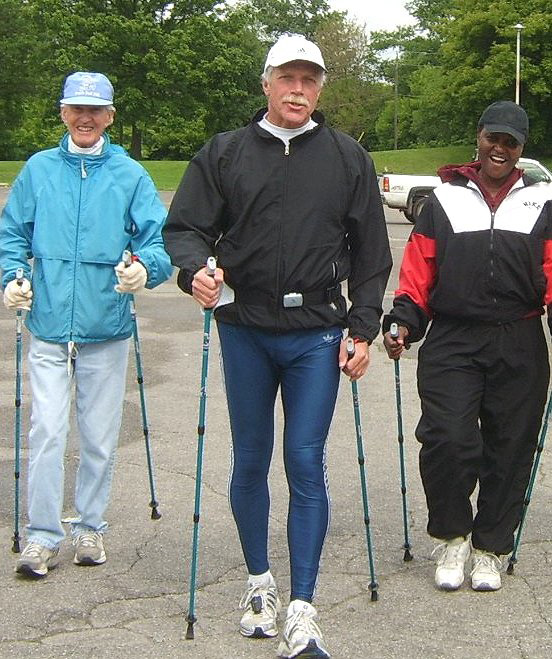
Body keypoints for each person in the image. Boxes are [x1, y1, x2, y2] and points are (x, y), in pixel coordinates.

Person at [163, 33, 391, 659]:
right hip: (246, 330)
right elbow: (184, 228)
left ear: (320, 88)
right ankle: (259, 584)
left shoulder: (348, 158)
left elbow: (372, 254)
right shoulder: (226, 153)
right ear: (266, 83)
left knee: (304, 458)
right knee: (251, 457)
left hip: (317, 331)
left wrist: (364, 327)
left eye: (310, 80)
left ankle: (303, 606)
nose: (298, 89)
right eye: (287, 78)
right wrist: (194, 272)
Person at [0, 71, 173, 579]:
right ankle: (42, 534)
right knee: (48, 431)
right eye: (76, 108)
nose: (85, 118)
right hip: (49, 325)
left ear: (110, 117)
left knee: (99, 436)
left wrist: (144, 269)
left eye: (95, 110)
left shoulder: (130, 175)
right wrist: (11, 276)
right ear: (62, 113)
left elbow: (157, 245)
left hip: (107, 327)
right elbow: (12, 234)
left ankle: (90, 524)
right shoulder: (39, 170)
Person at [383, 100, 552, 593]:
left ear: (521, 149)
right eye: (492, 138)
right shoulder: (445, 200)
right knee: (448, 440)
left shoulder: (542, 201)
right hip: (453, 338)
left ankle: (490, 548)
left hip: (519, 337)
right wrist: (404, 321)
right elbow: (419, 271)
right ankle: (453, 535)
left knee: (511, 446)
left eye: (511, 142)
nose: (499, 148)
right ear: (478, 137)